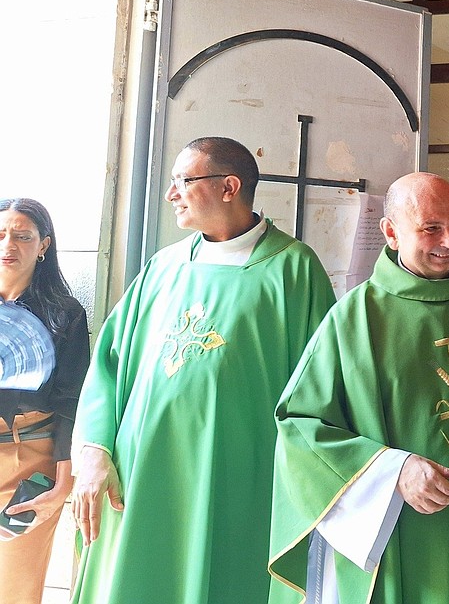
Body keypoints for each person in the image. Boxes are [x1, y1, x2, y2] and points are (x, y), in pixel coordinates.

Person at [269, 172, 449, 604]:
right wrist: (393, 471)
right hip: (408, 527)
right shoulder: (356, 319)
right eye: (430, 228)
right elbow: (299, 427)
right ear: (390, 232)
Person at [69, 136, 336, 604]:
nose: (172, 194)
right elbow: (107, 364)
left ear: (229, 186)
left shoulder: (294, 270)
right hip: (139, 481)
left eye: (183, 182)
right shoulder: (163, 266)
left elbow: (322, 386)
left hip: (237, 485)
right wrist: (94, 449)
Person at [0, 198, 90, 604]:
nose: (9, 245)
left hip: (27, 459)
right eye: (1, 235)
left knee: (15, 587)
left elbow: (73, 405)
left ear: (43, 245)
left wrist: (62, 486)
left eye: (22, 236)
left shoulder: (65, 315)